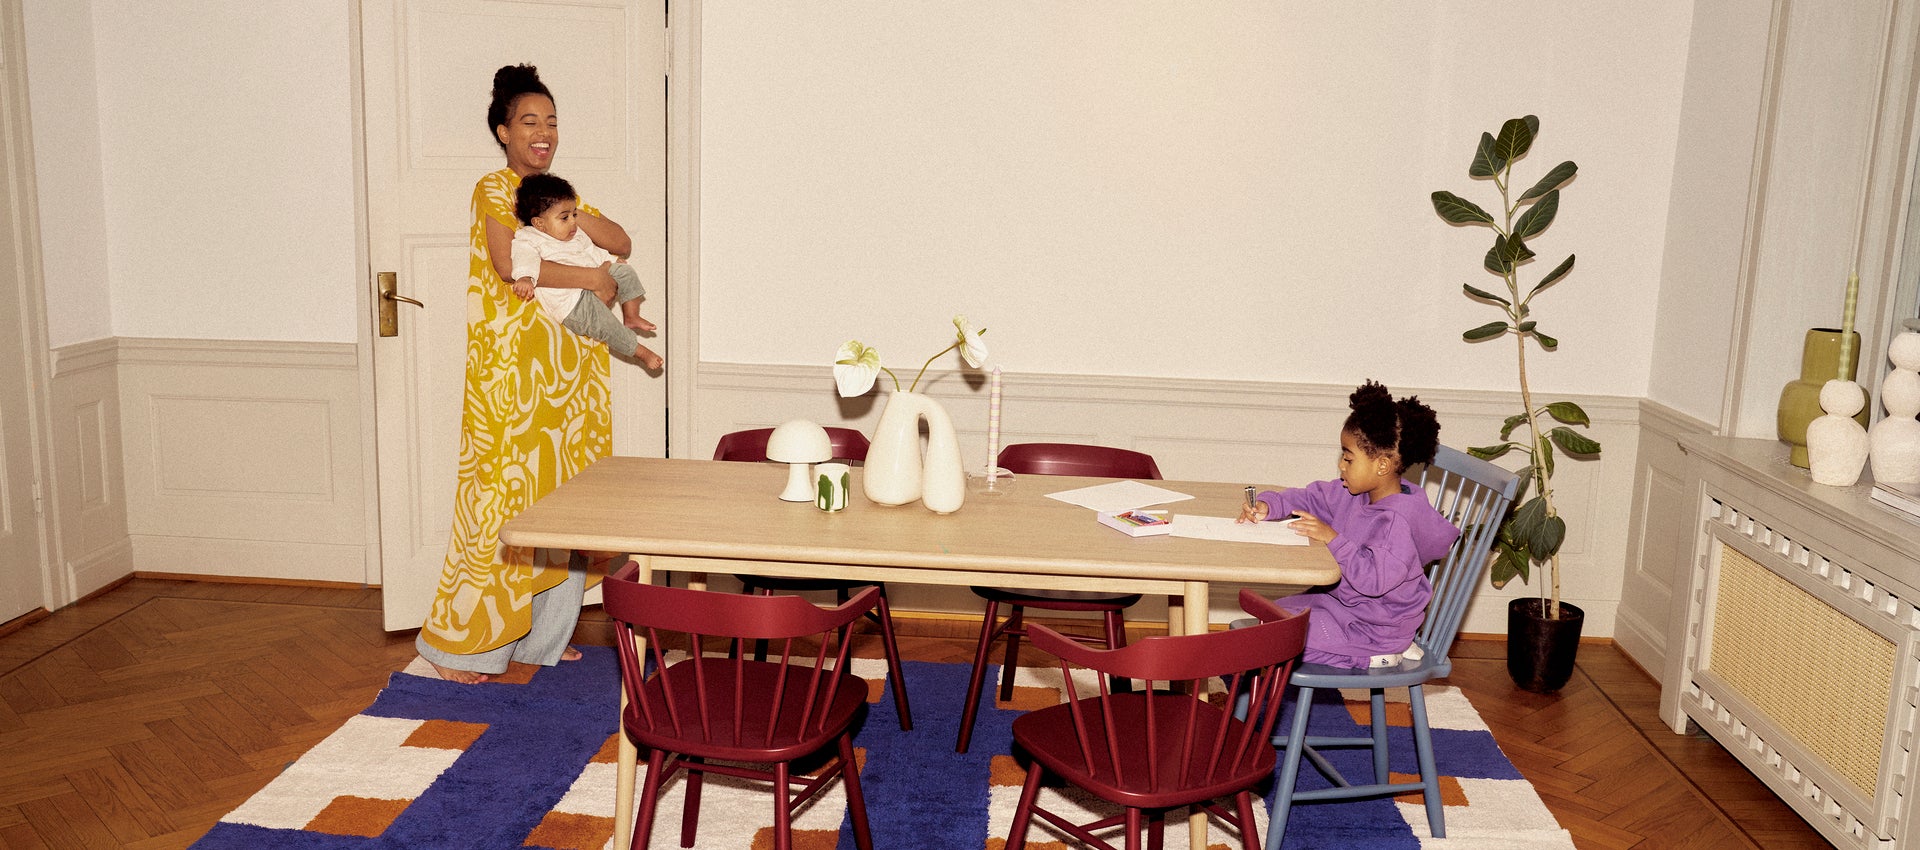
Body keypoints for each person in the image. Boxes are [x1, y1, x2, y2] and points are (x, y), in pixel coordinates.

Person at [415, 64, 632, 684]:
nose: (543, 133)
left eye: (552, 123)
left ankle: (540, 640)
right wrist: (592, 277)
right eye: (529, 122)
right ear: (504, 131)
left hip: (570, 380)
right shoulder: (494, 188)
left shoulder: (559, 198)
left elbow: (622, 242)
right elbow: (511, 265)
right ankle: (463, 650)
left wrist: (576, 216)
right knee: (502, 503)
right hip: (512, 378)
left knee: (564, 505)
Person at [1236, 381, 1461, 668]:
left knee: (1279, 637)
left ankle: (1375, 658)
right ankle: (1374, 650)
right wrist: (1269, 506)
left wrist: (1332, 538)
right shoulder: (1352, 492)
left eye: (1348, 457)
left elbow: (1372, 580)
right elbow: (1310, 498)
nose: (1341, 465)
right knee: (1270, 618)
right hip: (1343, 607)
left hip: (1375, 628)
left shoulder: (1396, 523)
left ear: (1381, 466)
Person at [509, 172, 664, 370]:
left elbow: (592, 252)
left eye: (574, 214)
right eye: (564, 217)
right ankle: (640, 351)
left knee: (626, 272)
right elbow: (524, 258)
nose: (573, 221)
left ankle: (631, 314)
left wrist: (612, 260)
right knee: (607, 325)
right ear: (539, 223)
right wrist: (524, 277)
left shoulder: (575, 233)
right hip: (571, 305)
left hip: (591, 287)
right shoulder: (528, 238)